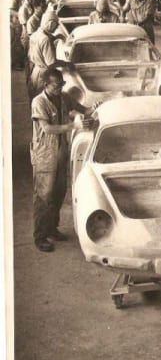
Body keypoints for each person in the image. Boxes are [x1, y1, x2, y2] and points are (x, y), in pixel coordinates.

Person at [31, 68, 96, 252]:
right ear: (46, 85)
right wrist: (72, 125)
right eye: (57, 85)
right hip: (45, 153)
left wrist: (95, 107)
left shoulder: (64, 97)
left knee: (59, 192)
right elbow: (47, 128)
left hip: (61, 152)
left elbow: (84, 109)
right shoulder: (39, 102)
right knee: (44, 196)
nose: (60, 88)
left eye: (62, 84)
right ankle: (40, 236)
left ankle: (52, 228)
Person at [28, 9, 66, 99]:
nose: (56, 27)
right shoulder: (46, 40)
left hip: (35, 71)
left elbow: (40, 45)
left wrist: (55, 38)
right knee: (43, 100)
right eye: (56, 25)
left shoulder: (36, 33)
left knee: (35, 99)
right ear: (51, 23)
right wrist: (66, 63)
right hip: (43, 75)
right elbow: (52, 63)